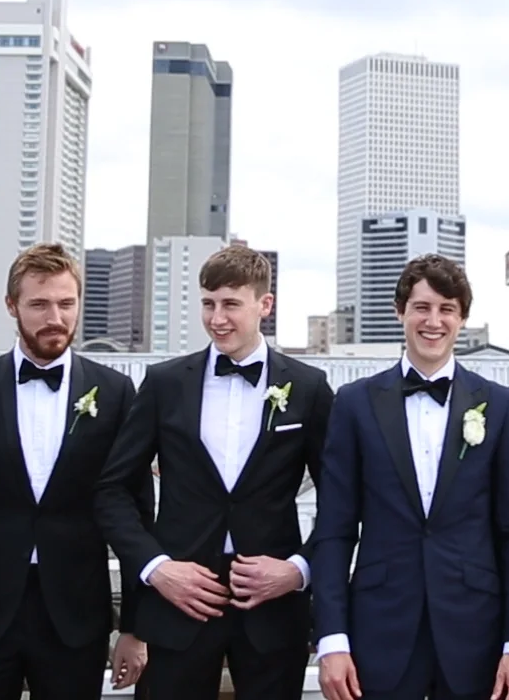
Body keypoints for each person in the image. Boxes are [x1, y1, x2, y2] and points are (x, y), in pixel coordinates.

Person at [94, 245, 334, 700]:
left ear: (265, 305)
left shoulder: (308, 388)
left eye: (230, 304)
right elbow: (112, 490)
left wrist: (297, 569)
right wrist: (156, 568)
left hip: (272, 610)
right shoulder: (164, 384)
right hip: (178, 605)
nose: (217, 318)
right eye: (208, 303)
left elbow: (342, 501)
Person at [0, 244, 156, 700]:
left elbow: (137, 515)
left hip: (77, 615)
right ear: (12, 306)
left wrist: (134, 627)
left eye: (66, 303)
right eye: (39, 304)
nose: (55, 316)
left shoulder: (114, 393)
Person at [309, 254, 509, 700]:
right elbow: (335, 532)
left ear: (462, 318)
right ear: (401, 312)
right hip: (379, 632)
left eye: (446, 309)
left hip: (478, 634)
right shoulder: (355, 403)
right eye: (422, 307)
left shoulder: (500, 405)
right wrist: (332, 639)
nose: (433, 321)